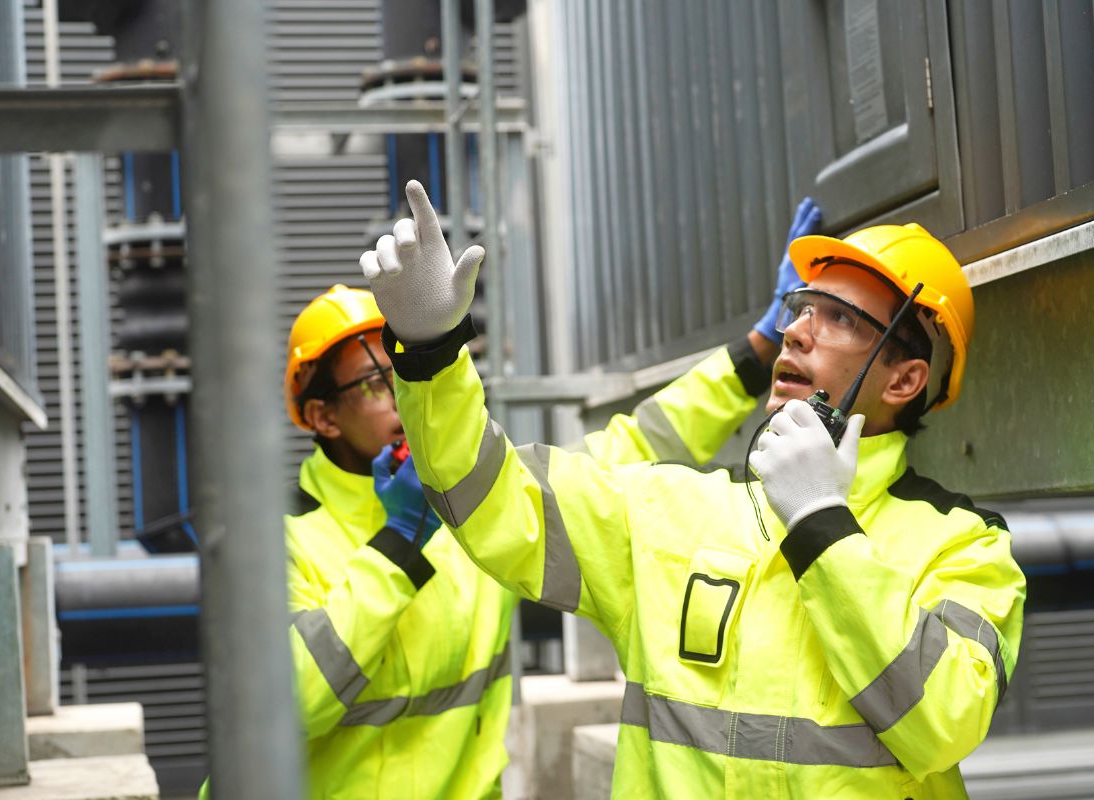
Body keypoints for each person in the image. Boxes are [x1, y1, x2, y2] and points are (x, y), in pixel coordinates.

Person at [363, 180, 1025, 798]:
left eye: (840, 319)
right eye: (802, 308)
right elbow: (489, 497)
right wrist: (430, 356)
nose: (796, 331)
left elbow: (943, 722)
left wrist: (822, 524)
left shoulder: (965, 547)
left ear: (904, 381)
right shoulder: (671, 513)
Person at [266, 192, 821, 799]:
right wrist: (396, 548)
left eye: (400, 374)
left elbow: (639, 443)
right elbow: (280, 709)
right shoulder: (279, 539)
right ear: (320, 417)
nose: (400, 395)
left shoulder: (477, 498)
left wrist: (756, 351)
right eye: (377, 383)